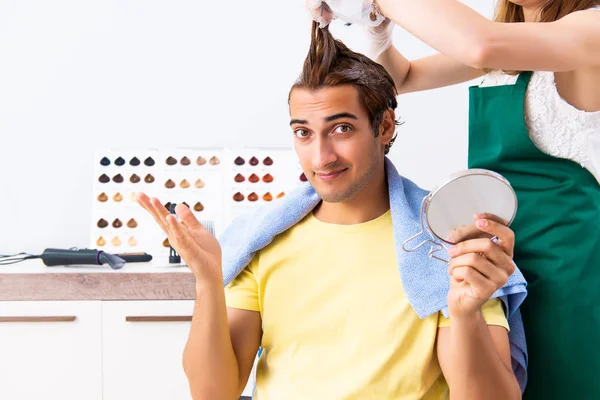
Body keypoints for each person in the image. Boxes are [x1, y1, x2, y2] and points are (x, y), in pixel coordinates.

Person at [136, 21, 525, 399]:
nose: (321, 157)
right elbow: (212, 393)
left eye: (341, 129)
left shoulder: (445, 245)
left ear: (385, 127)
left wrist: (465, 314)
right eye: (304, 133)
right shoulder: (260, 243)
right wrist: (207, 281)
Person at [335, 0, 600, 398]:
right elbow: (399, 78)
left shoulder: (590, 29)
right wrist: (376, 29)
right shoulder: (507, 52)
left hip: (575, 275)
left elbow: (481, 44)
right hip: (499, 268)